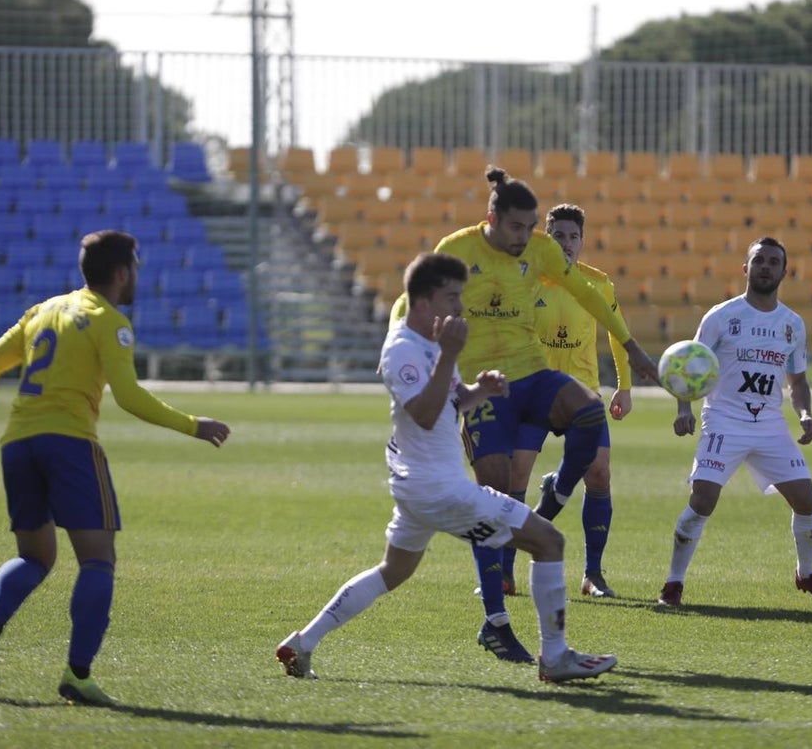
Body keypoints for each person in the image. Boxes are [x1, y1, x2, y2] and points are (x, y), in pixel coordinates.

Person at [276, 252, 617, 683]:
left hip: (418, 486)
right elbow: (422, 411)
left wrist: (479, 391)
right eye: (451, 296)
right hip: (440, 489)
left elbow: (447, 404)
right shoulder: (402, 349)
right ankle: (555, 657)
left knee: (392, 571)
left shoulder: (431, 343)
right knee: (548, 542)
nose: (459, 306)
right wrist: (449, 355)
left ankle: (302, 642)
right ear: (422, 302)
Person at [392, 167, 658, 662]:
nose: (526, 237)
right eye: (517, 227)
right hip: (484, 387)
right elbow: (411, 300)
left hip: (533, 373)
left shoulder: (539, 251)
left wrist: (631, 348)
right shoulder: (459, 248)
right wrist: (400, 343)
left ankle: (557, 491)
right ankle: (495, 619)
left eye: (532, 226)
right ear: (491, 218)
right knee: (492, 499)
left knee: (588, 413)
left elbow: (586, 293)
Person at [0, 229, 231, 706]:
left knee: (35, 558)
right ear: (123, 272)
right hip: (69, 444)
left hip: (18, 443)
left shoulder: (40, 312)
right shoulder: (109, 321)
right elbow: (128, 395)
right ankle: (77, 675)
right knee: (97, 560)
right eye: (135, 269)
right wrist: (192, 425)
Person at [657, 236, 812, 608]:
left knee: (806, 501)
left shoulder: (792, 325)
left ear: (785, 272)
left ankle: (806, 573)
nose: (766, 267)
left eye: (773, 262)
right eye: (759, 261)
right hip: (724, 420)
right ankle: (673, 583)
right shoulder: (721, 316)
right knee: (702, 500)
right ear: (746, 268)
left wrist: (804, 414)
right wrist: (683, 409)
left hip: (770, 424)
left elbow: (798, 381)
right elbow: (687, 364)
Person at [507, 203, 632, 599]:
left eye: (573, 236)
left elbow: (617, 333)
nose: (566, 243)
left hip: (581, 394)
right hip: (533, 389)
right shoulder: (526, 281)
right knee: (515, 475)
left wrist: (624, 387)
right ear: (545, 237)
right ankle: (504, 573)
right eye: (558, 235)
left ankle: (593, 574)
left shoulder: (599, 284)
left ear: (583, 241)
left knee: (599, 473)